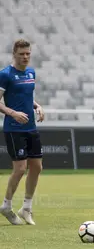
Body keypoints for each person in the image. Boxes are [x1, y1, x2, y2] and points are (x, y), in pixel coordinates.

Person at [0, 39, 45, 225]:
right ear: (14, 54)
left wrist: (37, 105)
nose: (25, 57)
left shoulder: (31, 72)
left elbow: (25, 96)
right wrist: (13, 113)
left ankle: (26, 208)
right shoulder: (5, 74)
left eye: (28, 53)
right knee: (20, 169)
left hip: (31, 127)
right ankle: (6, 206)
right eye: (22, 54)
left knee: (37, 167)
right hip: (14, 129)